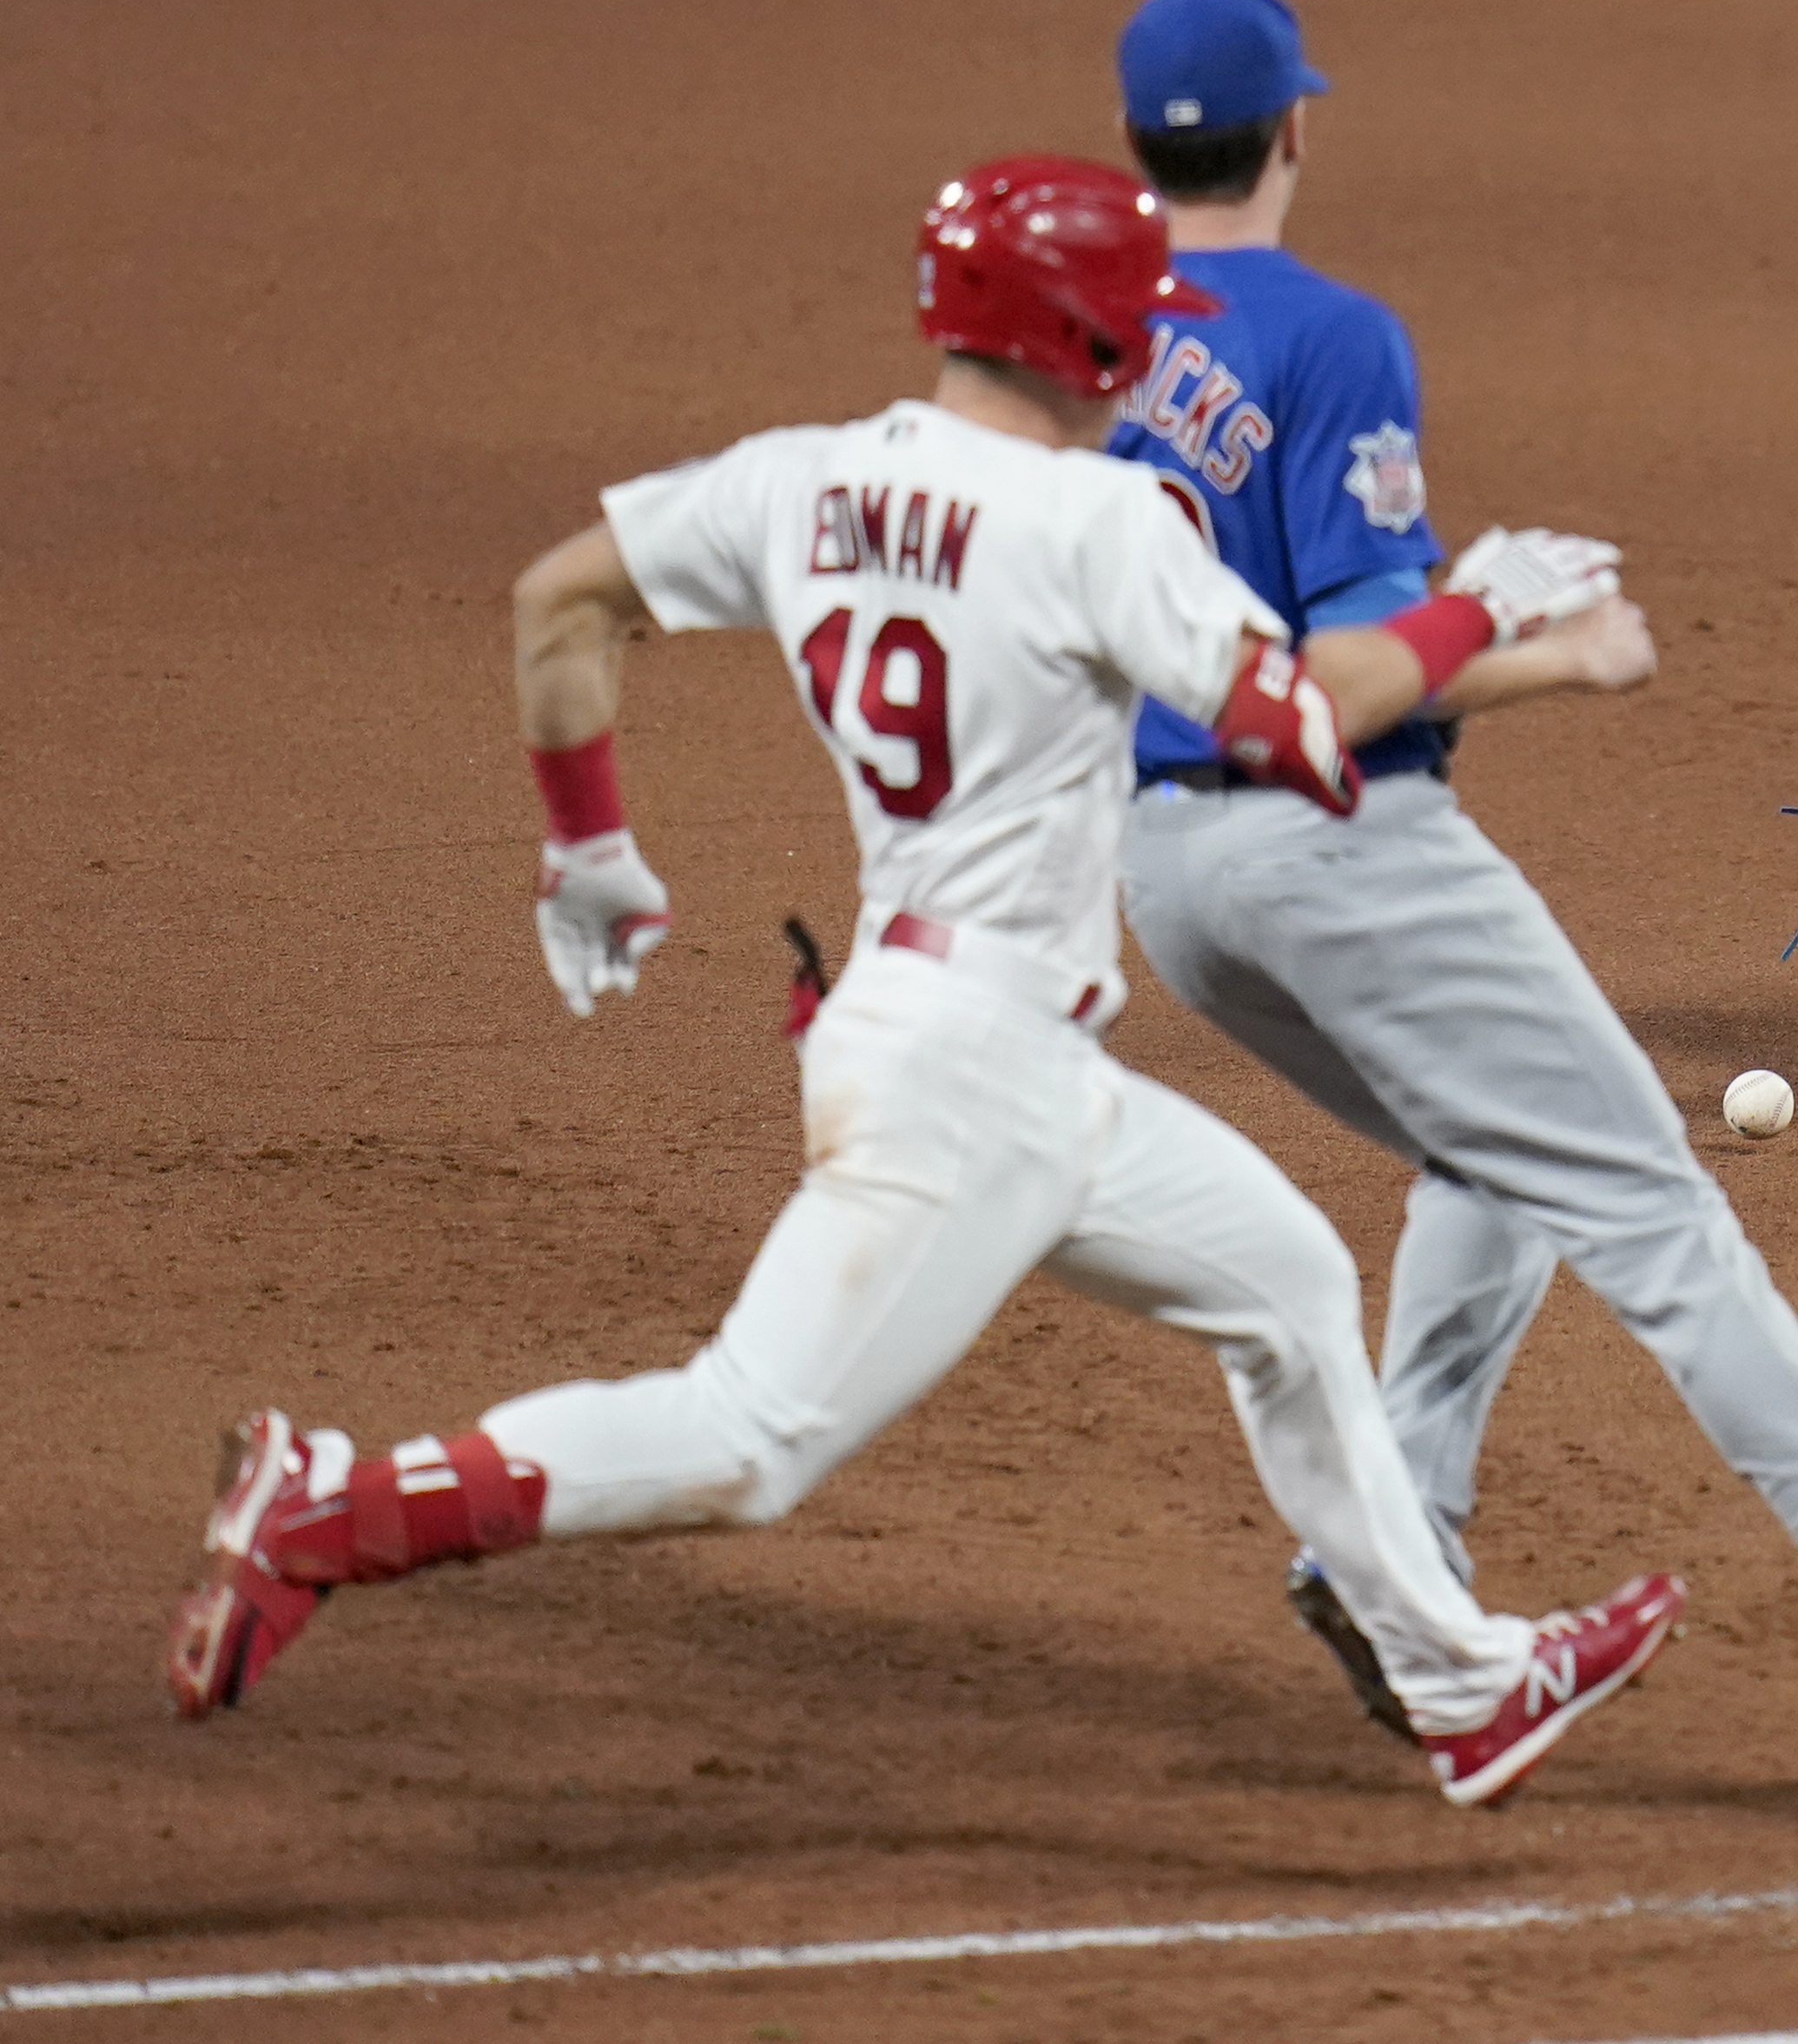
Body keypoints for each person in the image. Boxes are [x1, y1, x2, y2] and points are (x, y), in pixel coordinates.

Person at [162, 155, 1680, 1809]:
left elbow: (561, 598)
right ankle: (329, 1505)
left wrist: (588, 847)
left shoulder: (796, 484)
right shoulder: (1101, 520)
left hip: (988, 1045)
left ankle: (1460, 1679)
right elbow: (1297, 725)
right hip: (971, 1078)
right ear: (1089, 343)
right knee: (746, 1439)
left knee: (1294, 1290)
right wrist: (1485, 605)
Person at [1102, 0, 1798, 1777]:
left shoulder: (1094, 336)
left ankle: (1405, 1548)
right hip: (1345, 849)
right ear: (1295, 127)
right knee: (1662, 1228)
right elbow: (1347, 676)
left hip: (1168, 873)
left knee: (1486, 1156)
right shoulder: (1323, 332)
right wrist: (1548, 645)